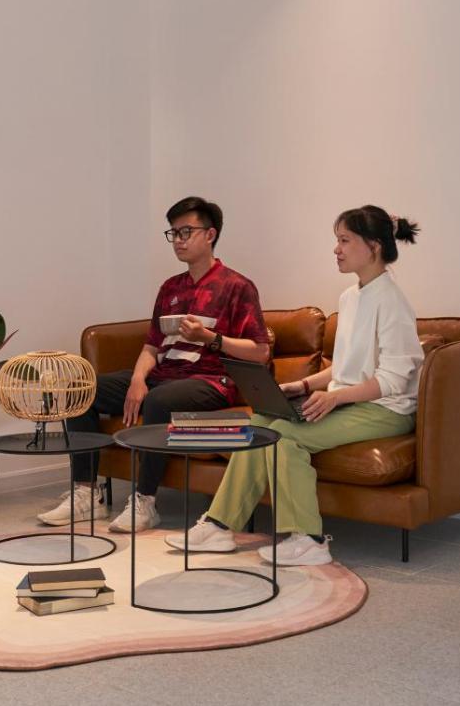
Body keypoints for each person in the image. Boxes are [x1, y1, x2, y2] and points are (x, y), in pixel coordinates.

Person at [166, 205, 423, 566]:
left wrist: (335, 399)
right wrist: (301, 385)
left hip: (386, 409)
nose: (336, 249)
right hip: (353, 401)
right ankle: (219, 526)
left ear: (374, 246)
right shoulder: (350, 298)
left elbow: (393, 380)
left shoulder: (392, 301)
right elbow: (345, 369)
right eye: (337, 240)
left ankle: (309, 540)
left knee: (286, 436)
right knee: (258, 425)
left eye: (345, 240)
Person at [40, 196, 271, 533]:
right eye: (173, 233)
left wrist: (210, 338)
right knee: (81, 389)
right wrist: (138, 379)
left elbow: (260, 352)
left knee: (158, 400)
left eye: (186, 232)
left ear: (210, 235)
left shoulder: (237, 286)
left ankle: (145, 501)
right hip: (164, 375)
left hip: (212, 381)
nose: (178, 240)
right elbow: (151, 345)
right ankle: (87, 493)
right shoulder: (170, 288)